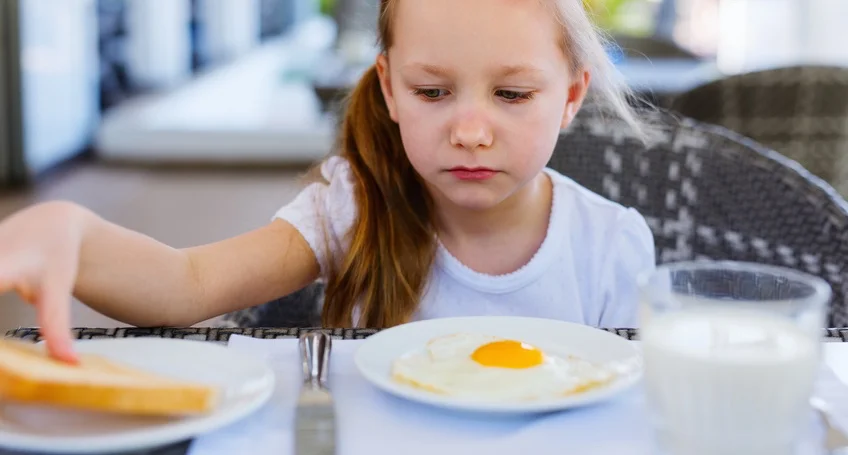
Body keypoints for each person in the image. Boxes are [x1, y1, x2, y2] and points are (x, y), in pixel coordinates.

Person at [0, 0, 656, 363]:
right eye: (432, 91)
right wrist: (72, 230)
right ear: (390, 89)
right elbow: (186, 284)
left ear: (570, 97)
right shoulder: (354, 206)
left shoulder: (611, 243)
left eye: (512, 94)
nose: (471, 130)